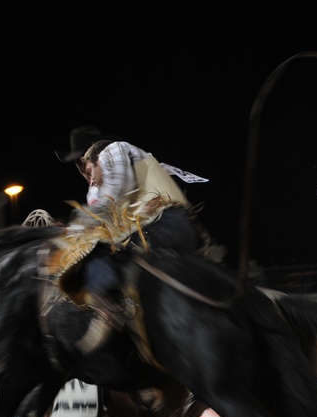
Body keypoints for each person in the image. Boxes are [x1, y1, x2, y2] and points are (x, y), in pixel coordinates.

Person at [51, 126, 218, 351]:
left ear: (88, 155)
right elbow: (101, 210)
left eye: (84, 166)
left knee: (98, 252)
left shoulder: (111, 151)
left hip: (165, 225)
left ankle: (107, 309)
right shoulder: (98, 182)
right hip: (169, 229)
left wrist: (76, 225)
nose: (86, 175)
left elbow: (113, 195)